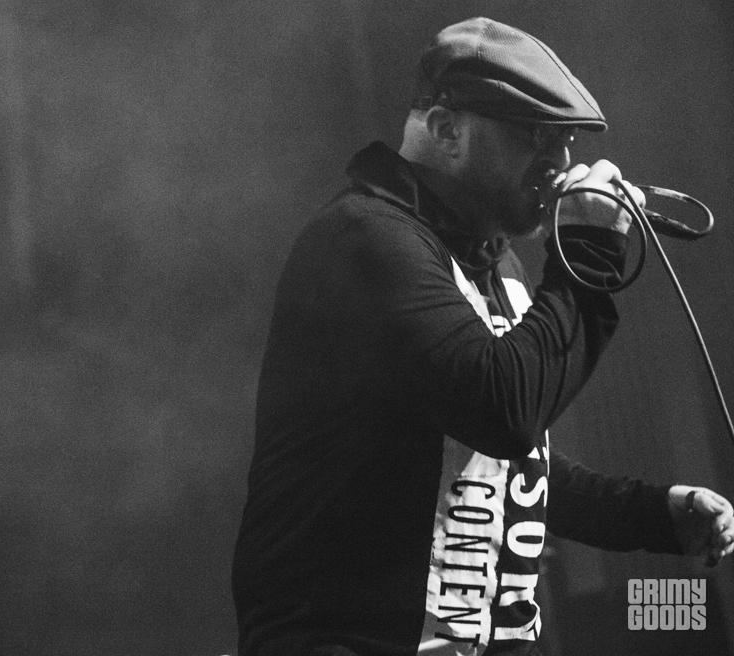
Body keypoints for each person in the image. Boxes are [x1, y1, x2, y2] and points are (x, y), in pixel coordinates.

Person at [231, 16, 734, 656]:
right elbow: (505, 411)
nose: (560, 164)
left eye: (565, 141)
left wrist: (651, 514)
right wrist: (589, 254)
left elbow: (502, 469)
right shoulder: (366, 241)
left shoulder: (497, 264)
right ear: (446, 130)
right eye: (536, 138)